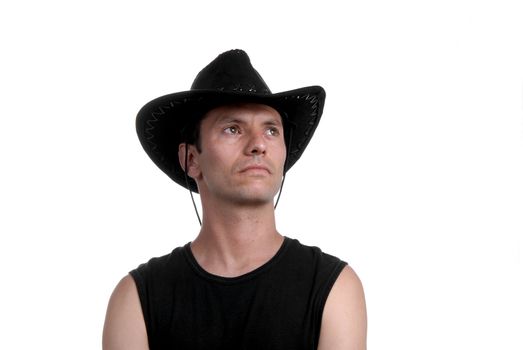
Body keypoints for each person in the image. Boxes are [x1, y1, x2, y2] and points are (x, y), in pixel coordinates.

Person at [102, 49, 367, 350]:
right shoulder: (137, 299)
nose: (257, 145)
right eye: (233, 129)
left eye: (271, 130)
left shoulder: (334, 288)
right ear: (191, 159)